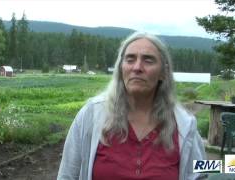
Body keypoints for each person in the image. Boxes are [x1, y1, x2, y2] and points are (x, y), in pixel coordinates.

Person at [57, 32, 206, 180]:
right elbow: (67, 174)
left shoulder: (185, 125)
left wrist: (229, 165)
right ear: (121, 69)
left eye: (148, 60)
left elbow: (201, 173)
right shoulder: (91, 115)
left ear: (163, 73)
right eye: (130, 59)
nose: (137, 67)